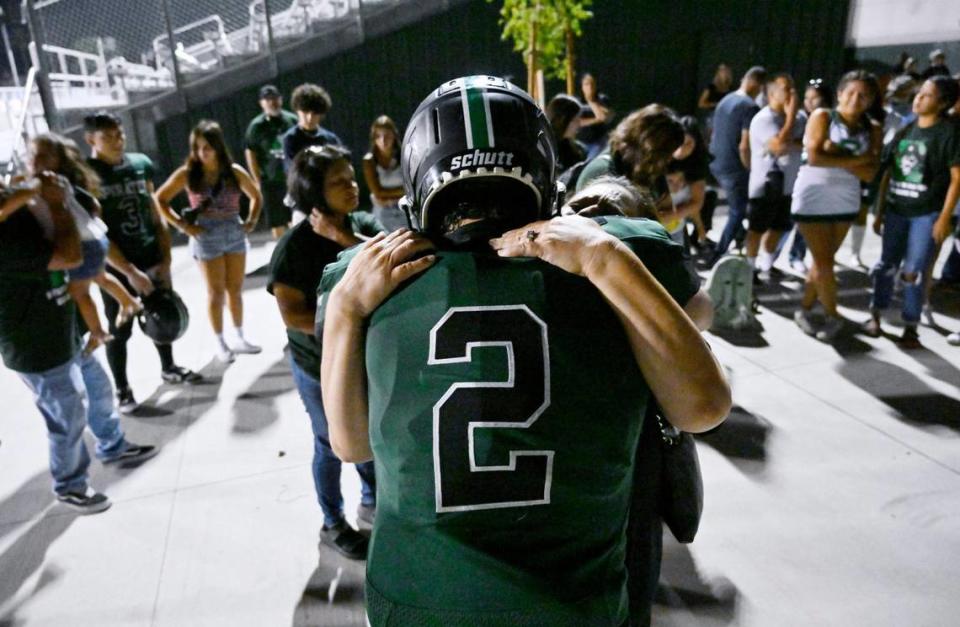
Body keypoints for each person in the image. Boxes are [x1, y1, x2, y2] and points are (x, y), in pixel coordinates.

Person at [316, 75, 730, 626]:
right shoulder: (618, 254)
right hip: (570, 602)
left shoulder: (370, 277)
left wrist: (345, 310)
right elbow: (703, 403)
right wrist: (606, 260)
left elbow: (349, 444)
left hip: (419, 599)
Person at [0, 174, 158, 514]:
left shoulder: (20, 206)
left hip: (65, 330)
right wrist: (57, 204)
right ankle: (69, 485)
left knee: (99, 390)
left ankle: (112, 445)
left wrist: (56, 197)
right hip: (36, 346)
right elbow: (70, 257)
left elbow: (87, 214)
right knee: (68, 417)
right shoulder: (6, 239)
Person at [268, 144, 380, 559]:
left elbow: (390, 259)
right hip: (318, 366)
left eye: (351, 177)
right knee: (329, 442)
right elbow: (292, 313)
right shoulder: (294, 247)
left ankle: (371, 497)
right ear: (313, 192)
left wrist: (342, 238)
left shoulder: (360, 224)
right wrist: (343, 323)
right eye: (338, 182)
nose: (351, 186)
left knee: (366, 434)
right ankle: (333, 521)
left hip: (364, 360)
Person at [85, 111, 201, 413]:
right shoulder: (85, 173)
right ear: (90, 140)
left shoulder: (139, 164)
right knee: (119, 328)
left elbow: (153, 212)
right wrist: (128, 271)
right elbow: (91, 231)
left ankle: (169, 366)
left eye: (119, 134)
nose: (117, 141)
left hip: (149, 255)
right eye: (108, 137)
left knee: (163, 313)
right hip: (116, 265)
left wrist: (164, 256)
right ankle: (122, 390)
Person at [862, 75, 960, 348]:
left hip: (925, 214)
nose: (918, 99)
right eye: (918, 93)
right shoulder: (906, 129)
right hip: (896, 211)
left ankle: (910, 324)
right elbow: (888, 172)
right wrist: (880, 211)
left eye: (926, 95)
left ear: (942, 103)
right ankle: (875, 315)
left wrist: (943, 218)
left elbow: (957, 179)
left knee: (913, 271)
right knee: (885, 266)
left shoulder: (948, 133)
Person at [154, 120, 263, 363]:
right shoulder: (188, 174)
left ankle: (239, 336)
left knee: (235, 289)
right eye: (198, 147)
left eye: (208, 147)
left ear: (218, 147)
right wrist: (184, 226)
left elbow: (256, 195)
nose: (202, 152)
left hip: (233, 231)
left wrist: (251, 221)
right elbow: (160, 199)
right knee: (215, 293)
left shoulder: (233, 171)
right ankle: (220, 341)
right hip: (206, 234)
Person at [27, 133, 144, 355]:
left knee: (79, 293)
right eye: (32, 155)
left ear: (58, 161)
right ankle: (128, 301)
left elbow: (24, 196)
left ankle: (98, 332)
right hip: (94, 238)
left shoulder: (45, 181)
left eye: (44, 155)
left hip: (84, 243)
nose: (36, 160)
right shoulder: (61, 180)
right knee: (101, 277)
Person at [790, 70, 882, 342]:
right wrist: (858, 158)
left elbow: (871, 173)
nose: (856, 98)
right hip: (813, 195)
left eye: (863, 94)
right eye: (850, 92)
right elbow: (816, 157)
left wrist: (836, 152)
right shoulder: (823, 116)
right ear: (840, 93)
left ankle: (804, 309)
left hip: (846, 198)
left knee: (823, 262)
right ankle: (833, 316)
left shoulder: (873, 127)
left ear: (871, 99)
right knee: (825, 262)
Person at [576, 104, 686, 223]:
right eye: (665, 154)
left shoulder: (650, 168)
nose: (669, 160)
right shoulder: (601, 172)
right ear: (648, 147)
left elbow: (666, 208)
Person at [745, 73, 806, 278]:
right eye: (786, 89)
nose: (792, 93)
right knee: (757, 229)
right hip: (765, 185)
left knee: (780, 227)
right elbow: (779, 146)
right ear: (771, 93)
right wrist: (789, 118)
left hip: (791, 185)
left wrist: (791, 138)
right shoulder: (763, 119)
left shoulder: (802, 118)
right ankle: (750, 268)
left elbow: (808, 143)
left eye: (793, 88)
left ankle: (767, 264)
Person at [708, 66, 767, 266]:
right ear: (757, 84)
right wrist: (750, 169)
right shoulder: (750, 107)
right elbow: (744, 145)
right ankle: (718, 252)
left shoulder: (725, 99)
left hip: (716, 162)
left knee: (737, 208)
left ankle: (738, 238)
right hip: (735, 166)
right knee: (738, 211)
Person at [244, 84, 298, 239]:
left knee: (294, 217)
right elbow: (250, 152)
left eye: (275, 99)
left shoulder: (291, 120)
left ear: (281, 100)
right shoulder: (257, 126)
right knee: (277, 221)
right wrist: (257, 180)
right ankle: (282, 251)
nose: (272, 103)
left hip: (291, 178)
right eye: (268, 100)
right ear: (262, 103)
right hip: (270, 180)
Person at [667, 115, 714, 251]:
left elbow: (695, 204)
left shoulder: (696, 165)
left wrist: (701, 230)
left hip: (675, 223)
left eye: (689, 144)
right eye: (679, 143)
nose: (681, 150)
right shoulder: (659, 159)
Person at [281, 83, 343, 174]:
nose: (310, 118)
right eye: (305, 112)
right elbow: (292, 170)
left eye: (315, 113)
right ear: (297, 111)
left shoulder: (331, 139)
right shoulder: (291, 138)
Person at [362, 115, 406, 232]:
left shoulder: (404, 156)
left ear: (394, 135)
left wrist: (389, 196)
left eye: (387, 135)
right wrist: (403, 191)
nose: (383, 140)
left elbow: (412, 187)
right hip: (382, 214)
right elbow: (378, 193)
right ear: (373, 138)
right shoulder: (369, 160)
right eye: (378, 136)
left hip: (405, 211)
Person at [546, 93, 587, 173]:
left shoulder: (577, 150)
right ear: (563, 120)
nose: (579, 124)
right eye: (576, 120)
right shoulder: (546, 148)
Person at [577, 72, 614, 160]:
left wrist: (591, 101)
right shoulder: (578, 101)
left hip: (598, 142)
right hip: (581, 142)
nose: (589, 87)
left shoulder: (602, 99)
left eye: (592, 84)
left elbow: (605, 117)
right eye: (586, 84)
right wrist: (596, 120)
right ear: (582, 87)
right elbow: (577, 122)